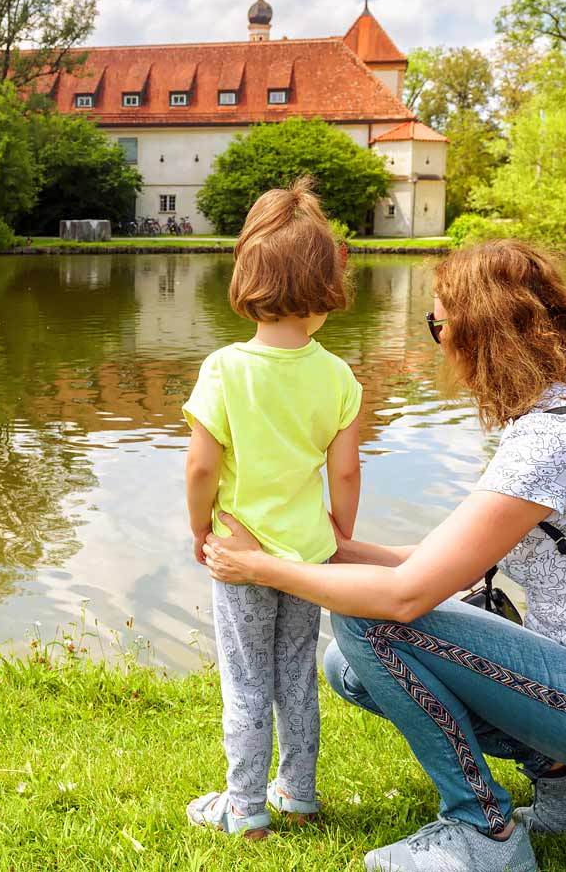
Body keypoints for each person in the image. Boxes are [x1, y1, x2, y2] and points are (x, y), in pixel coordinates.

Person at [204, 239, 566, 872]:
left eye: (437, 323)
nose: (437, 341)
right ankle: (563, 770)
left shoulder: (552, 440)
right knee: (346, 668)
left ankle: (482, 830)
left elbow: (408, 594)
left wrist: (259, 568)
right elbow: (438, 556)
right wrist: (316, 549)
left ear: (479, 332)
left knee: (370, 624)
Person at [181, 177, 364, 839]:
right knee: (296, 674)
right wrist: (339, 528)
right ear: (324, 286)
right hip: (308, 553)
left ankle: (245, 809)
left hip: (241, 555)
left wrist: (199, 527)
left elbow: (202, 466)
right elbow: (345, 470)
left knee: (245, 681)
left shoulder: (224, 369)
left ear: (247, 276)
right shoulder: (338, 376)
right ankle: (300, 792)